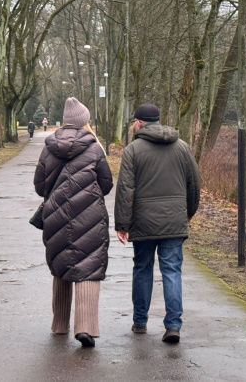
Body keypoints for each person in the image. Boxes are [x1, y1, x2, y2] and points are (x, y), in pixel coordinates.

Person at [114, 103, 200, 344]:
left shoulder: (133, 150)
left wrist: (123, 224)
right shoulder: (182, 147)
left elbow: (125, 189)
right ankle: (173, 325)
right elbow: (194, 183)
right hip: (174, 219)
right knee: (172, 270)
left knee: (142, 269)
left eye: (134, 121)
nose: (133, 125)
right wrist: (188, 213)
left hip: (143, 221)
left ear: (140, 122)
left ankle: (140, 322)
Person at [34, 97, 113, 348]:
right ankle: (86, 327)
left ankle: (60, 324)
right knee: (88, 266)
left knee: (61, 265)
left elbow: (39, 186)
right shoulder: (94, 148)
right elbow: (107, 184)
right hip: (89, 216)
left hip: (55, 215)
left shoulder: (48, 148)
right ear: (84, 121)